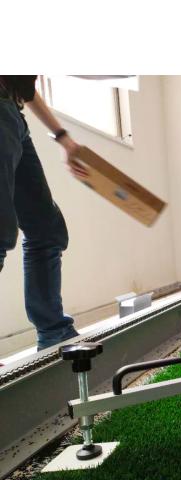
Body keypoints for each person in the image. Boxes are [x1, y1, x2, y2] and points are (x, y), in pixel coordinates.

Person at [0, 76, 87, 350]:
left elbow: (24, 88)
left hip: (13, 114)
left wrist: (64, 138)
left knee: (46, 230)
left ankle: (54, 334)